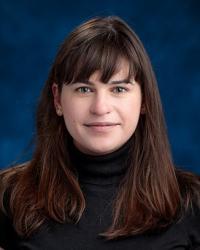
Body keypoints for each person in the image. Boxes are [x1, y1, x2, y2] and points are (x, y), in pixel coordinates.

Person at [0, 16, 200, 250]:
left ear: (144, 99)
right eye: (84, 89)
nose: (100, 108)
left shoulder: (192, 203)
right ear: (57, 99)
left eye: (118, 89)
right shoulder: (8, 199)